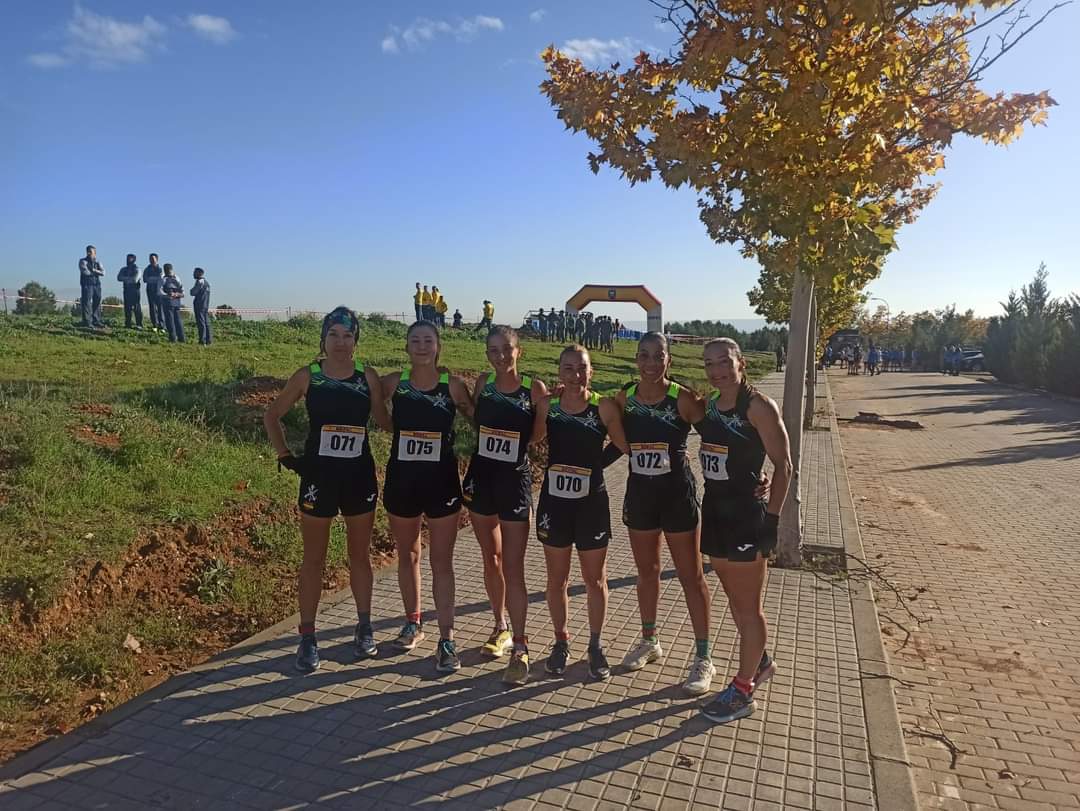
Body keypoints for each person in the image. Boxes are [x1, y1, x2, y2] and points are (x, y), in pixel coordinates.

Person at [263, 307, 387, 672]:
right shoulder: (309, 376)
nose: (340, 342)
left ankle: (364, 628)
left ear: (356, 340)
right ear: (323, 338)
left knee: (359, 556)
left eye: (348, 336)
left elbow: (384, 420)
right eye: (333, 334)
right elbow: (272, 415)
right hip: (319, 477)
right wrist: (285, 455)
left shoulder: (368, 376)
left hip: (358, 476)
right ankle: (307, 636)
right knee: (313, 559)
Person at [606, 333, 716, 695]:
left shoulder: (682, 399)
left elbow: (718, 436)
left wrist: (753, 474)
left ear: (669, 360)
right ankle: (650, 640)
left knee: (690, 575)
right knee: (647, 571)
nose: (651, 363)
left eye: (658, 356)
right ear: (636, 359)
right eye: (644, 356)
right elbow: (613, 440)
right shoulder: (626, 397)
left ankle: (704, 658)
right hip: (640, 494)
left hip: (676, 495)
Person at [697, 338, 792, 724]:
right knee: (735, 601)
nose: (717, 370)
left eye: (724, 362)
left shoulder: (758, 406)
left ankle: (743, 690)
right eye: (710, 364)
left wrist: (772, 522)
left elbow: (784, 467)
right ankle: (761, 661)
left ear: (741, 363)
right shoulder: (708, 407)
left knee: (749, 608)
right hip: (716, 511)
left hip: (746, 518)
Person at [379, 322, 474, 673]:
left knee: (441, 561)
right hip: (403, 480)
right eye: (415, 340)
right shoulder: (395, 382)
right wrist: (397, 432)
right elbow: (378, 412)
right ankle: (413, 622)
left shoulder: (453, 385)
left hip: (441, 483)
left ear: (438, 346)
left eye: (428, 340)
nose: (421, 346)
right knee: (408, 554)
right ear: (407, 347)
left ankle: (447, 638)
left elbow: (478, 417)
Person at [533, 344, 629, 681]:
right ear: (559, 372)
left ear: (592, 372)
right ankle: (561, 641)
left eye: (581, 368)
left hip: (592, 504)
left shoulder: (602, 407)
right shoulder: (549, 405)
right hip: (555, 504)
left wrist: (593, 467)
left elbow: (622, 445)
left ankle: (595, 644)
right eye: (568, 368)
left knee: (594, 579)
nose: (575, 375)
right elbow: (534, 439)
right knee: (556, 579)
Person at [463, 326, 548, 685]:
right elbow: (475, 420)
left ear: (519, 351)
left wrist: (513, 446)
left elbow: (539, 432)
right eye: (493, 349)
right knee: (491, 559)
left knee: (513, 566)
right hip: (482, 479)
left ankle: (521, 644)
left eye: (506, 349)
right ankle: (500, 626)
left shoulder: (534, 389)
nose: (500, 356)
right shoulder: (483, 383)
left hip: (514, 481)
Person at [78, 245, 105, 328]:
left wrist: (93, 270)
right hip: (87, 284)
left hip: (96, 284)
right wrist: (97, 272)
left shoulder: (98, 262)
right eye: (88, 251)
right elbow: (86, 272)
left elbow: (103, 272)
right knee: (87, 302)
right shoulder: (83, 261)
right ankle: (87, 321)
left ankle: (96, 320)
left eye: (91, 251)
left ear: (95, 253)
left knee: (97, 301)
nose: (89, 253)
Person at [159, 264, 185, 342]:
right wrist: (178, 295)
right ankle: (182, 338)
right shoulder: (177, 278)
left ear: (165, 270)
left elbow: (159, 291)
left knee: (170, 321)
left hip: (168, 302)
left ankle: (172, 338)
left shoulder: (164, 279)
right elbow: (183, 291)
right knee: (178, 320)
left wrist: (167, 295)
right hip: (177, 302)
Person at [116, 253, 143, 329]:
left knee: (136, 307)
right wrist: (129, 278)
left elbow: (135, 279)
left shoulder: (137, 269)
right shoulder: (124, 269)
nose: (128, 260)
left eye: (130, 259)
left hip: (135, 291)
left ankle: (139, 324)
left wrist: (126, 278)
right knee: (127, 308)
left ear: (134, 260)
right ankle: (128, 324)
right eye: (127, 258)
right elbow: (118, 278)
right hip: (126, 290)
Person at [143, 253, 165, 332]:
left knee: (160, 307)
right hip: (150, 289)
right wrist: (154, 279)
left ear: (157, 259)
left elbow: (161, 278)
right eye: (150, 258)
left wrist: (151, 279)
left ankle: (162, 325)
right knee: (152, 307)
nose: (151, 260)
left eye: (153, 258)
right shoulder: (147, 269)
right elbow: (145, 279)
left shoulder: (160, 269)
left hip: (158, 290)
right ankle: (154, 324)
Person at [190, 268, 212, 346]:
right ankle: (209, 340)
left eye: (194, 273)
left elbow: (193, 292)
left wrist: (191, 290)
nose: (193, 274)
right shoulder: (207, 283)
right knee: (206, 322)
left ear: (199, 273)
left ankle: (202, 340)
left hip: (199, 304)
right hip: (205, 305)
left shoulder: (199, 282)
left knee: (201, 322)